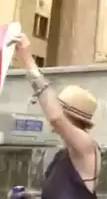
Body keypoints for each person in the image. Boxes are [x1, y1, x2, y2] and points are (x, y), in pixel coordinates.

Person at [12, 34, 101, 199]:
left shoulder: (87, 148)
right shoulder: (61, 156)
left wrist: (28, 61)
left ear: (69, 116)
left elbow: (55, 118)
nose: (48, 115)